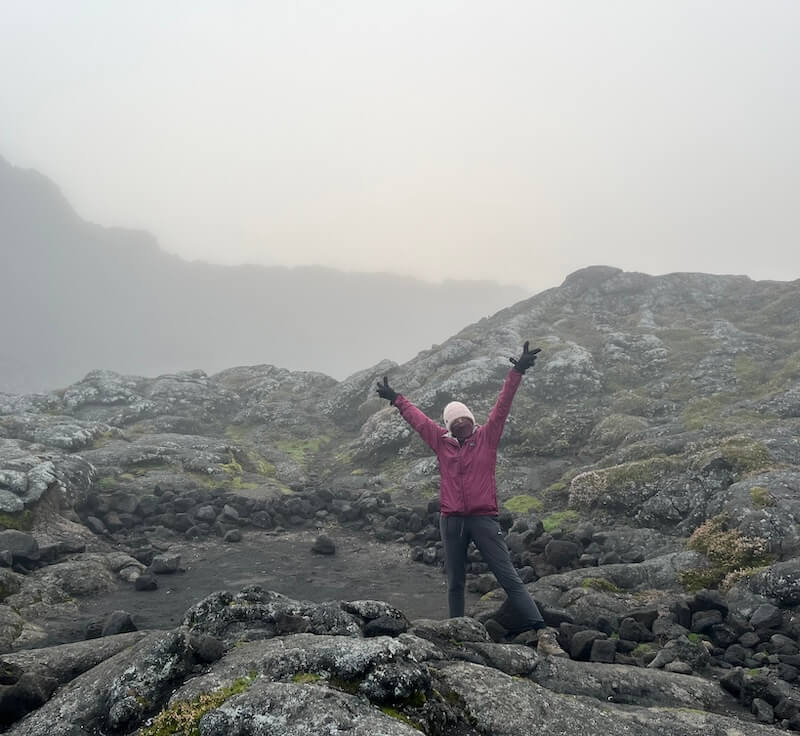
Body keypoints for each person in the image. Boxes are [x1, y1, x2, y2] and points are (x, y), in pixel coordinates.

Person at [376, 341, 546, 635]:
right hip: (452, 520)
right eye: (455, 421)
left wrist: (517, 370)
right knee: (455, 581)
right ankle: (456, 631)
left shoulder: (487, 437)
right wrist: (397, 399)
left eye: (464, 418)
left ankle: (541, 629)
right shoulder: (441, 442)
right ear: (448, 426)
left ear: (472, 419)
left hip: (483, 519)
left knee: (508, 578)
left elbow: (503, 404)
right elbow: (419, 421)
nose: (461, 423)